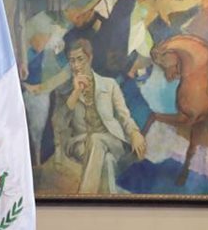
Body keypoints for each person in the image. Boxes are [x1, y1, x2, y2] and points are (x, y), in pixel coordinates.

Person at [49, 37, 147, 194]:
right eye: (72, 61)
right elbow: (58, 124)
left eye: (80, 59)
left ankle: (84, 198)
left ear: (90, 58)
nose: (76, 65)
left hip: (112, 140)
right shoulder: (64, 91)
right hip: (80, 144)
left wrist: (134, 132)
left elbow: (124, 115)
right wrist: (75, 93)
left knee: (97, 140)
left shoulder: (109, 85)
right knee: (106, 160)